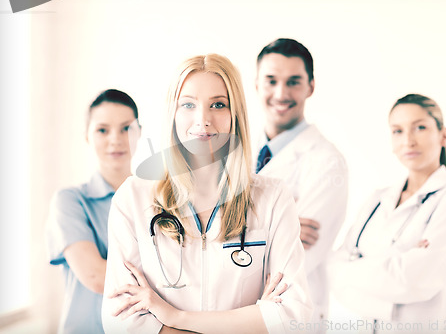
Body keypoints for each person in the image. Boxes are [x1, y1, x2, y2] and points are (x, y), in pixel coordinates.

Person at [101, 53, 312, 334]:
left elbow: (293, 318)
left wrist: (174, 317)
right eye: (188, 104)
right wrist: (258, 318)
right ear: (173, 114)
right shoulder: (133, 198)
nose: (202, 120)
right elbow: (122, 321)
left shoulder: (272, 198)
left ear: (234, 114)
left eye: (218, 104)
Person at [330, 94, 446, 333]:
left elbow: (413, 280)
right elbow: (333, 270)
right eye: (397, 131)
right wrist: (394, 272)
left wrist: (357, 268)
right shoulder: (377, 199)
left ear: (443, 134)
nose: (408, 140)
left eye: (420, 127)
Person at [254, 38, 348, 326]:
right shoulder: (237, 153)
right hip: (239, 316)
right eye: (271, 81)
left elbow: (295, 260)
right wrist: (278, 224)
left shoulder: (326, 161)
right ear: (257, 83)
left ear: (311, 86)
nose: (281, 93)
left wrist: (240, 227)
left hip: (291, 316)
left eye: (294, 82)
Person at [46, 89, 141, 334]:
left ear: (138, 133)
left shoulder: (158, 202)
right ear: (87, 136)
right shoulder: (70, 201)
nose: (115, 140)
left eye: (126, 128)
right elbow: (96, 277)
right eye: (102, 130)